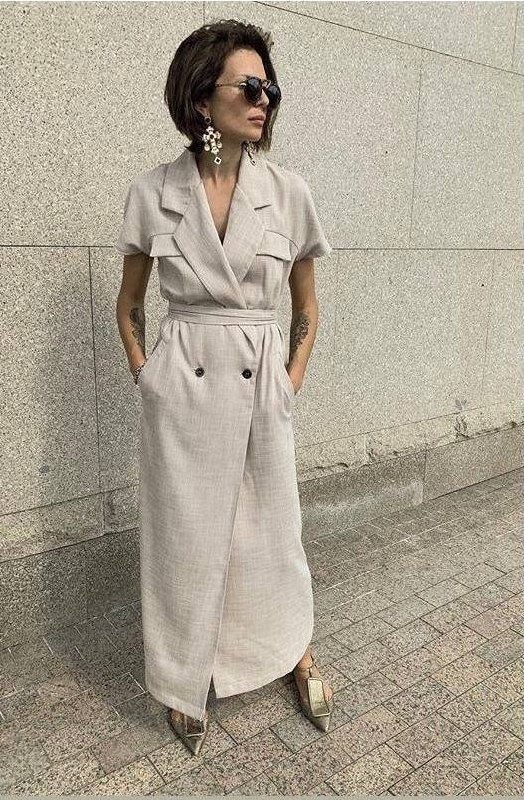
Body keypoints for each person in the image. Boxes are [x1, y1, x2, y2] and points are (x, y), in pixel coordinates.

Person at [115, 19, 334, 756]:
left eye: (270, 88)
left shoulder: (288, 192)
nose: (264, 99)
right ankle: (183, 679)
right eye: (249, 86)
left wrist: (287, 381)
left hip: (259, 382)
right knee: (184, 539)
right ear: (201, 98)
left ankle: (294, 650)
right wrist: (148, 377)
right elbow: (129, 304)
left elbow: (307, 309)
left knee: (273, 532)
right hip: (182, 390)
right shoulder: (154, 194)